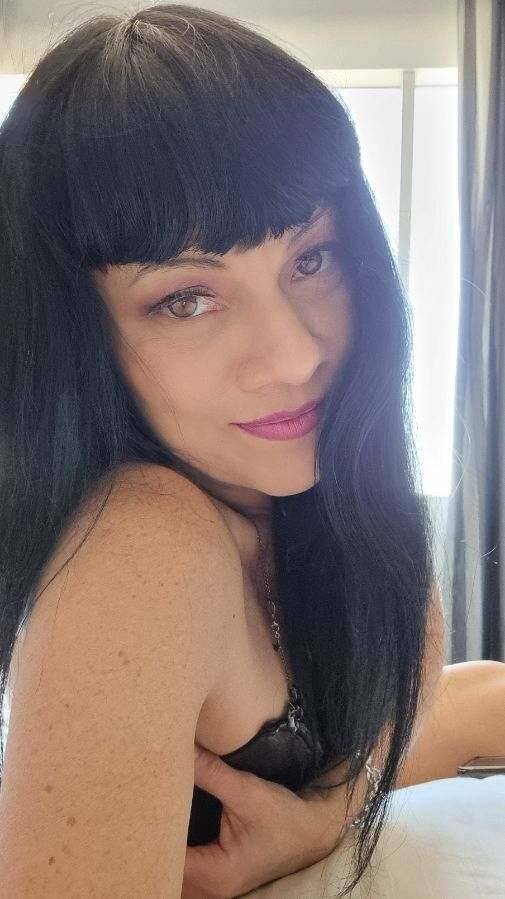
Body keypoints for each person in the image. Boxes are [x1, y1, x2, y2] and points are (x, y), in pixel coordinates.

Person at [0, 4, 459, 897]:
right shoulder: (144, 543)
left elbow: (452, 705)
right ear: (76, 336)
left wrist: (325, 815)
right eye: (186, 299)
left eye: (311, 259)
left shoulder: (344, 504)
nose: (295, 355)